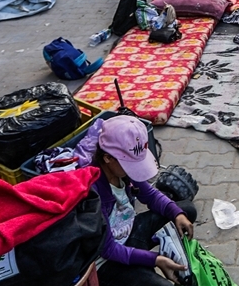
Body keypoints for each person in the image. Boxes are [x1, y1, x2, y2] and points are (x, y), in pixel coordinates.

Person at [81, 115, 196, 286]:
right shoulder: (92, 191)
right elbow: (108, 249)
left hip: (128, 233)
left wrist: (176, 213)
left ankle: (141, 267)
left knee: (186, 211)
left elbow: (150, 195)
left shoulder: (123, 172)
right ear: (107, 158)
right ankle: (137, 270)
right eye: (130, 164)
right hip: (107, 261)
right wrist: (155, 259)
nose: (133, 169)